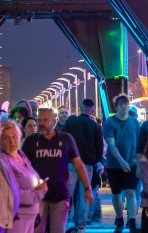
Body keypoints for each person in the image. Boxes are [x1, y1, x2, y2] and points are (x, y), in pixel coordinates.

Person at [22, 108, 92, 233]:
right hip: (38, 196)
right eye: (39, 120)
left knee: (58, 230)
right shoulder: (30, 141)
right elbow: (21, 167)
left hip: (60, 195)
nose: (41, 123)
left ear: (54, 122)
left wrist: (87, 188)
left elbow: (78, 164)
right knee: (36, 230)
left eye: (45, 120)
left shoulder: (66, 139)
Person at [63, 99, 104, 232]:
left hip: (70, 163)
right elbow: (100, 148)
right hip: (87, 165)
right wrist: (93, 160)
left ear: (80, 107)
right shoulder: (95, 127)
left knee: (68, 193)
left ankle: (68, 221)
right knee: (84, 194)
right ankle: (81, 225)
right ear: (92, 109)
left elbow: (63, 139)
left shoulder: (71, 121)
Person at [0, 122, 47, 233]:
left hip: (31, 215)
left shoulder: (20, 154)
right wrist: (39, 193)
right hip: (18, 216)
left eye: (14, 136)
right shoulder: (2, 159)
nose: (11, 141)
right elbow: (14, 192)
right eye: (6, 138)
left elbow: (33, 176)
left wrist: (40, 185)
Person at [104, 94, 141, 233]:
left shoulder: (135, 123)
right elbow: (111, 145)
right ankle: (119, 220)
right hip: (114, 164)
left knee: (131, 192)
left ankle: (132, 222)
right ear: (117, 107)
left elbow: (139, 143)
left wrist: (139, 161)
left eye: (126, 103)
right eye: (121, 104)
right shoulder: (110, 122)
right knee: (116, 193)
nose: (124, 106)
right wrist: (121, 161)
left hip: (132, 163)